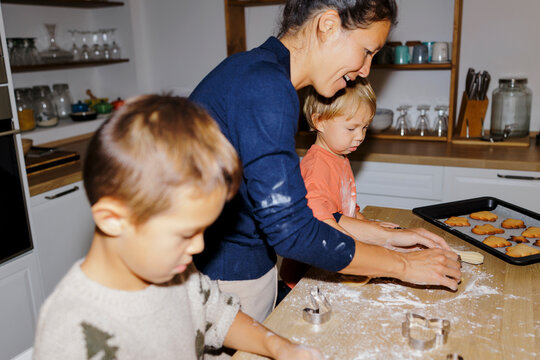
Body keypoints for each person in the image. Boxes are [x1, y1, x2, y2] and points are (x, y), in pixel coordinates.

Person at [190, 0, 461, 323]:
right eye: (366, 51)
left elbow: (306, 211)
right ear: (328, 25)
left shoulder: (253, 71)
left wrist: (387, 237)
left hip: (235, 269)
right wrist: (402, 265)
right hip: (228, 280)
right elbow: (293, 232)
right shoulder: (266, 88)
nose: (365, 70)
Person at [32, 95, 323, 360]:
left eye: (203, 230)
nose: (198, 246)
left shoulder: (176, 273)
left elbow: (219, 314)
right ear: (113, 219)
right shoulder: (71, 333)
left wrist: (280, 347)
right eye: (186, 234)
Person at [280, 78, 401, 288]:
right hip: (306, 277)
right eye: (352, 128)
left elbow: (347, 210)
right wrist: (362, 251)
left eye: (364, 127)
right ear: (319, 122)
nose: (360, 137)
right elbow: (318, 220)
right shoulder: (317, 166)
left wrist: (371, 229)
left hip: (330, 267)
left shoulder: (340, 157)